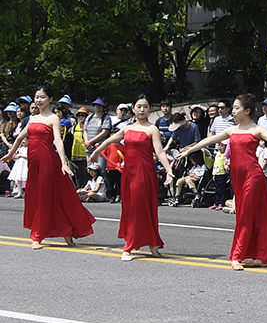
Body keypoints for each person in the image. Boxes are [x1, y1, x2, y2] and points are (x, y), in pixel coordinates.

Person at [174, 94, 267, 270]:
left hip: (253, 176)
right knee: (248, 215)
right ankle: (261, 256)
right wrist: (189, 150)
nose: (234, 111)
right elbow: (208, 140)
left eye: (237, 108)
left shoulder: (257, 130)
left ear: (247, 111)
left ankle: (237, 256)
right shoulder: (232, 130)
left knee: (246, 215)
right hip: (237, 177)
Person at [2, 85, 96, 248]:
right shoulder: (32, 119)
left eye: (42, 97)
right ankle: (65, 231)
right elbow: (19, 138)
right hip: (34, 163)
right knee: (37, 197)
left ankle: (37, 236)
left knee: (45, 197)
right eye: (37, 97)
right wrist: (11, 153)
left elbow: (58, 142)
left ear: (50, 99)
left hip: (48, 162)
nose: (39, 100)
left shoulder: (53, 118)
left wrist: (64, 163)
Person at [86, 96, 174, 259]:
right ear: (133, 108)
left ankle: (137, 246)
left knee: (143, 208)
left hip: (144, 173)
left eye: (145, 106)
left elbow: (160, 152)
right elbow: (110, 140)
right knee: (130, 208)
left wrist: (168, 170)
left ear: (149, 109)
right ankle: (144, 245)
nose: (142, 109)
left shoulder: (152, 129)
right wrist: (96, 152)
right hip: (129, 174)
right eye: (139, 106)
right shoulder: (127, 128)